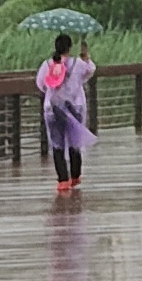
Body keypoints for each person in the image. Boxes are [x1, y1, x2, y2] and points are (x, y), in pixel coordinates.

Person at [38, 40, 94, 192]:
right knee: (74, 140)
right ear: (69, 47)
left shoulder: (47, 64)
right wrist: (86, 57)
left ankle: (63, 180)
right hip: (74, 106)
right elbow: (90, 71)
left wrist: (52, 93)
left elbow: (41, 84)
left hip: (52, 108)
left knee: (57, 143)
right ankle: (75, 176)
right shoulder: (78, 64)